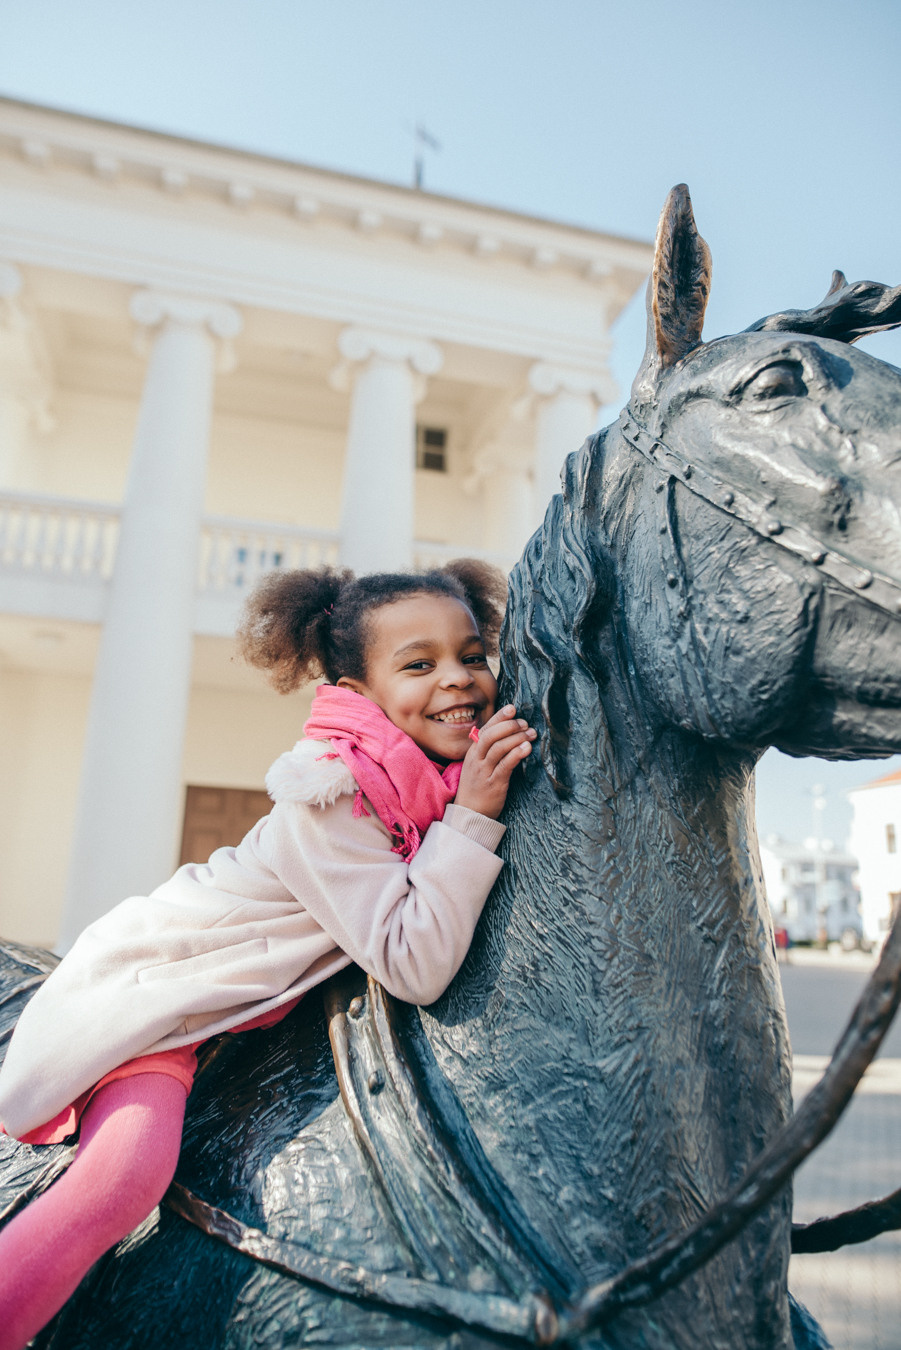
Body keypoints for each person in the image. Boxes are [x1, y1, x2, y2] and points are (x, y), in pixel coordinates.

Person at [0, 559, 535, 1350]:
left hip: (241, 1004)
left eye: (472, 655)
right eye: (418, 665)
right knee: (123, 1179)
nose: (456, 678)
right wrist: (476, 817)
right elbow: (413, 962)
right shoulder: (330, 795)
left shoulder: (429, 777)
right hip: (166, 992)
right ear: (357, 693)